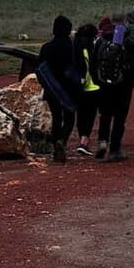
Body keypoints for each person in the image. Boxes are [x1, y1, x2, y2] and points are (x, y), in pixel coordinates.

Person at [94, 12, 134, 162]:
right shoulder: (128, 41)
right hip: (123, 85)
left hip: (103, 84)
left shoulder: (101, 40)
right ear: (124, 22)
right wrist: (133, 81)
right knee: (120, 118)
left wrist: (98, 80)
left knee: (105, 115)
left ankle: (102, 141)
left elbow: (94, 62)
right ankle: (115, 149)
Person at [38, 15, 78, 163]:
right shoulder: (72, 47)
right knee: (69, 117)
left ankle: (56, 145)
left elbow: (39, 68)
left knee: (56, 117)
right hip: (68, 89)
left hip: (51, 88)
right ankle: (63, 140)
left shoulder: (46, 47)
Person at [74, 23, 100, 156]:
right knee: (90, 115)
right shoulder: (93, 47)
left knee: (81, 115)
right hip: (93, 86)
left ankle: (82, 139)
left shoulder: (74, 47)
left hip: (78, 86)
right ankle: (84, 141)